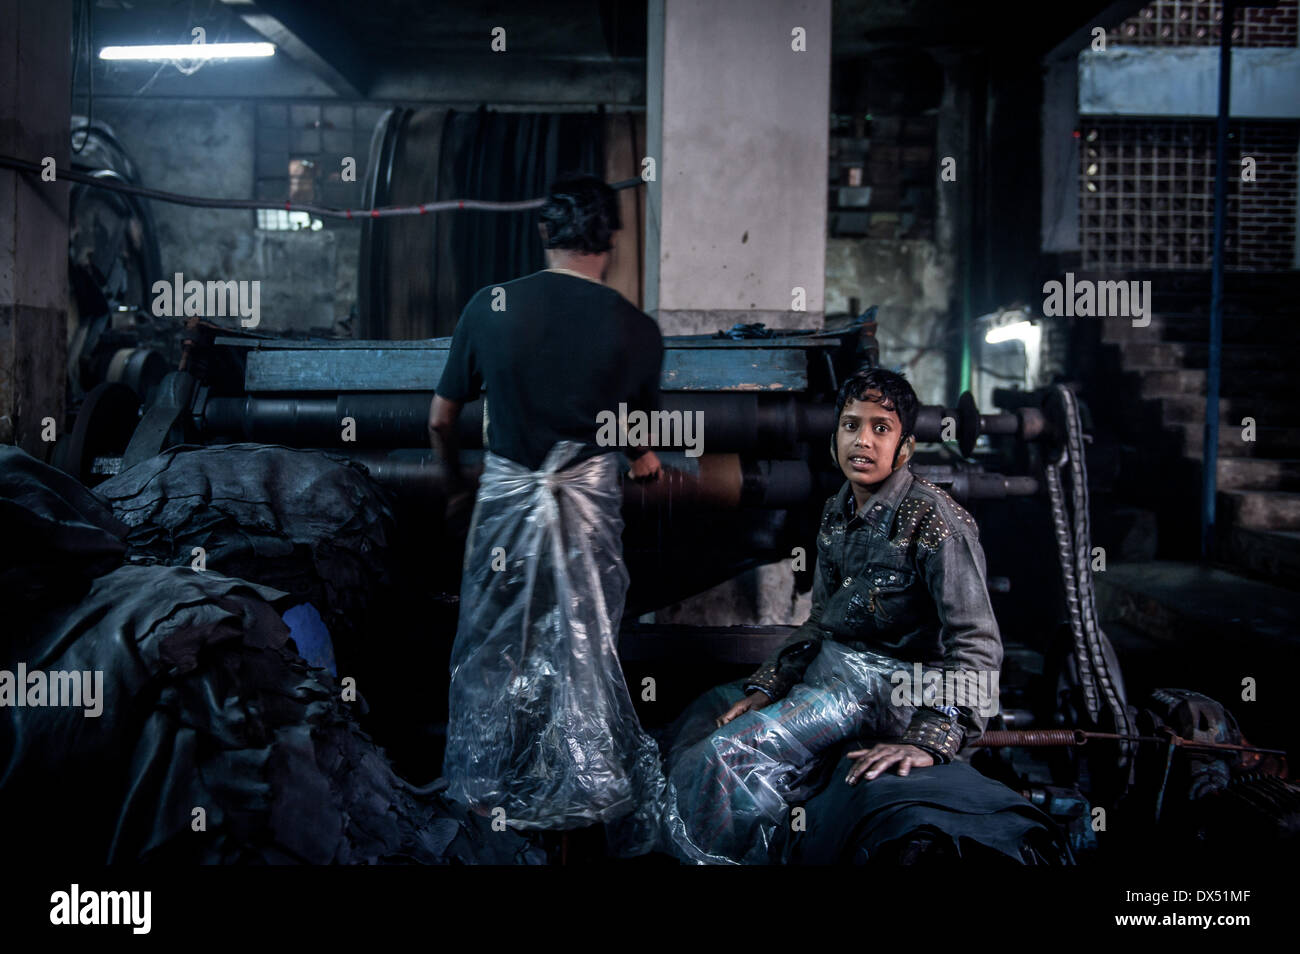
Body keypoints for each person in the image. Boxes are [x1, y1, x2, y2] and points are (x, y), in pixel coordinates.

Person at [660, 367, 1004, 864]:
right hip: (834, 676)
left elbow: (977, 646)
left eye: (880, 429)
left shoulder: (937, 521)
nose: (862, 441)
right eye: (851, 426)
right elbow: (822, 622)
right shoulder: (837, 510)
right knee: (701, 716)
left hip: (889, 695)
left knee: (725, 757)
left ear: (905, 446)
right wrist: (769, 684)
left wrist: (929, 741)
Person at [428, 172, 666, 855]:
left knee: (496, 645)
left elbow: (441, 420)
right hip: (585, 515)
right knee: (582, 642)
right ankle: (583, 792)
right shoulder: (637, 329)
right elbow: (633, 438)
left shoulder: (490, 305)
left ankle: (483, 790)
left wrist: (454, 489)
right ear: (612, 241)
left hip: (504, 507)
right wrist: (646, 464)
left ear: (544, 234)